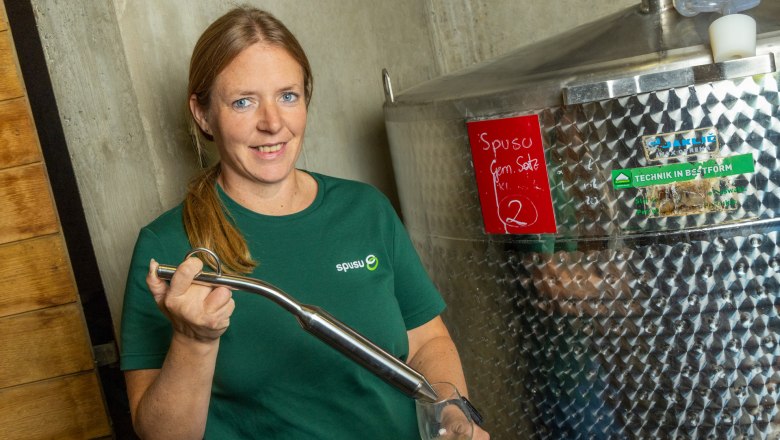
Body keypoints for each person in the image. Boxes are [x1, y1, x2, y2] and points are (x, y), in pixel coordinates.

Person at [120, 6, 489, 440]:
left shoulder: (364, 210)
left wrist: (451, 415)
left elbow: (427, 342)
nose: (272, 123)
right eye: (243, 101)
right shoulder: (166, 246)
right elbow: (162, 436)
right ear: (202, 114)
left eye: (288, 96)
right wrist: (193, 340)